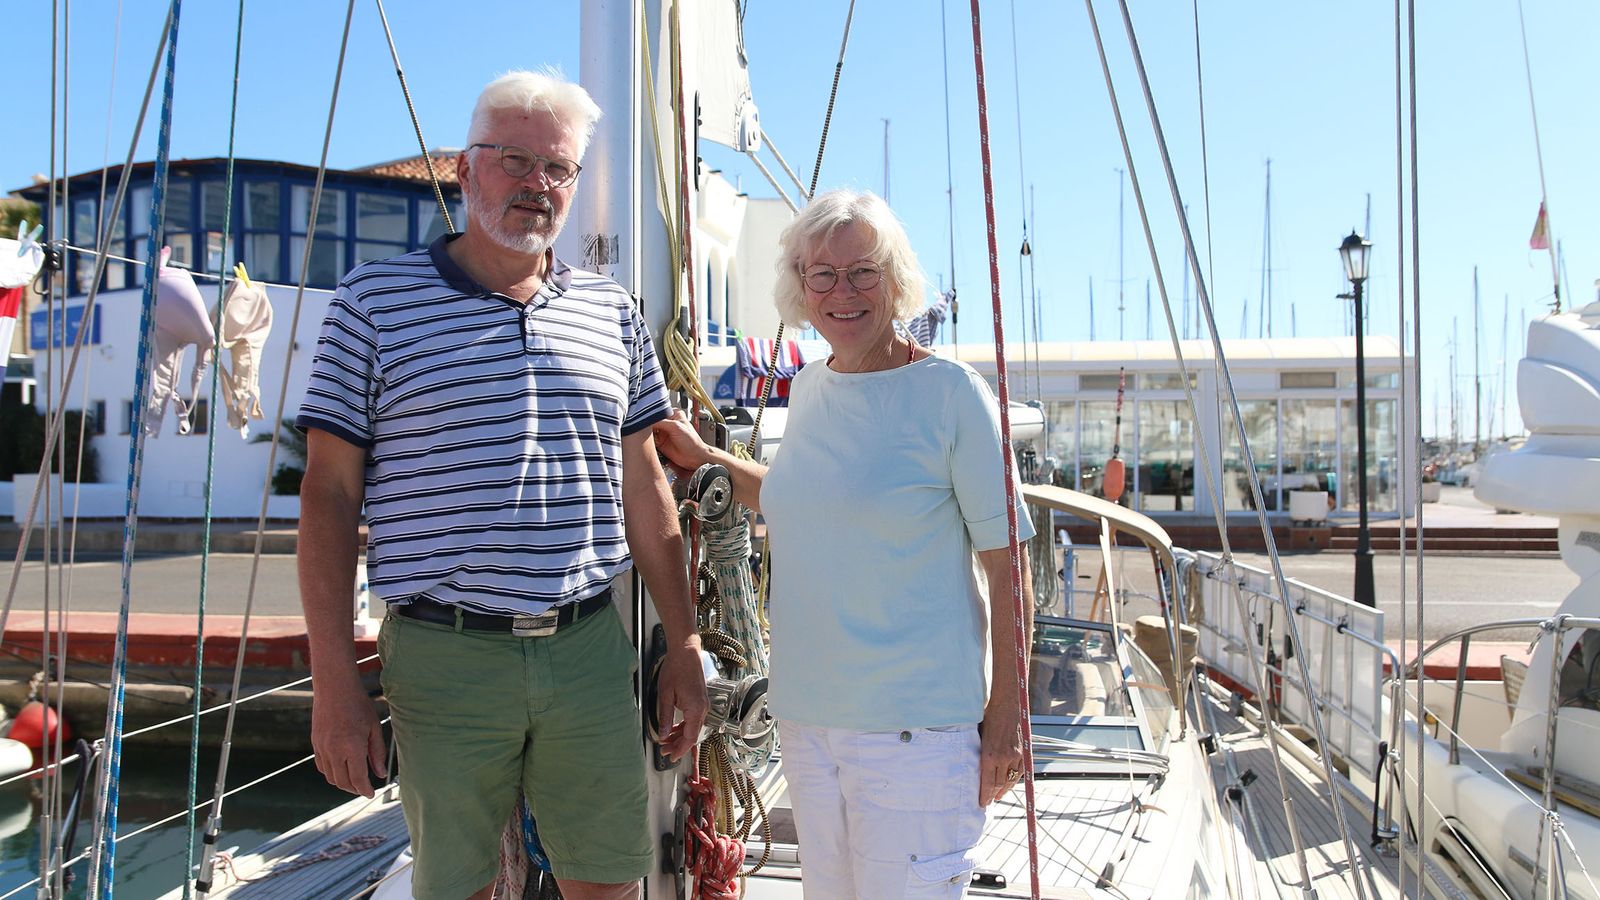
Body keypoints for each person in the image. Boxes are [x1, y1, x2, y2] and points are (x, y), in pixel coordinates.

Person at [296, 69, 707, 900]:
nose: (537, 185)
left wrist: (687, 640)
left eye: (557, 169)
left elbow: (645, 484)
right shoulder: (372, 303)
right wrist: (335, 679)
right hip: (444, 652)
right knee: (459, 889)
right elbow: (329, 496)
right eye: (514, 160)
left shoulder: (613, 313)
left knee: (609, 881)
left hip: (589, 649)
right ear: (465, 169)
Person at [652, 189, 1034, 898]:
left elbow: (1010, 566)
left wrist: (1007, 717)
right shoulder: (811, 388)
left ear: (896, 280)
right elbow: (802, 498)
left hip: (913, 737)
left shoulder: (951, 395)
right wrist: (705, 457)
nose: (842, 292)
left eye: (862, 272)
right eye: (821, 275)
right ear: (800, 288)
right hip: (808, 723)